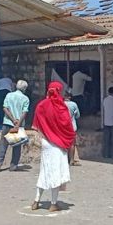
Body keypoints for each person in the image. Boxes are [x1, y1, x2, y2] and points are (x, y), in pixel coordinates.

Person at [31, 81, 75, 212]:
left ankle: (36, 201)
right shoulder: (61, 107)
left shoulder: (41, 105)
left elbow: (37, 125)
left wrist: (45, 135)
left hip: (46, 142)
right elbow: (67, 126)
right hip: (58, 144)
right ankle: (53, 203)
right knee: (56, 173)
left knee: (44, 171)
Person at [0, 79, 30, 172]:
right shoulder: (25, 98)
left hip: (7, 123)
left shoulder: (9, 95)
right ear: (24, 89)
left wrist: (13, 120)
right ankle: (13, 166)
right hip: (18, 125)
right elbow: (24, 112)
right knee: (17, 146)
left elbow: (5, 108)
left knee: (3, 144)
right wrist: (18, 123)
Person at [64, 89, 81, 166]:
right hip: (72, 127)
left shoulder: (60, 104)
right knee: (72, 144)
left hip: (62, 127)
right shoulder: (74, 104)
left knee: (63, 143)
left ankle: (64, 159)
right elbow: (78, 116)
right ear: (70, 97)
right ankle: (71, 160)